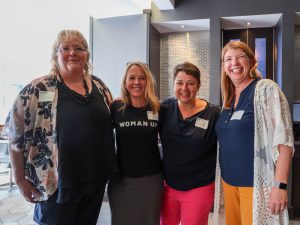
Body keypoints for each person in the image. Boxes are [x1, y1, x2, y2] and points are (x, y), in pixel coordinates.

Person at [3, 30, 118, 225]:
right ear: (56, 54)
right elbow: (14, 134)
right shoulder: (38, 89)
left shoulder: (99, 86)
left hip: (95, 181)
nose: (72, 52)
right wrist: (20, 180)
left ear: (87, 55)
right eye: (65, 48)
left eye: (79, 48)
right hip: (56, 184)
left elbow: (114, 115)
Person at [213, 41, 294, 225]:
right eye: (228, 59)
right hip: (229, 184)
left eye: (240, 57)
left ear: (251, 61)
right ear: (224, 67)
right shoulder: (228, 101)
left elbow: (285, 143)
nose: (234, 63)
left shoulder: (265, 90)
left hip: (256, 186)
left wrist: (279, 186)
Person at [159, 62, 220, 225]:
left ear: (198, 85)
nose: (184, 88)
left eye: (190, 83)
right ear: (173, 85)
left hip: (199, 187)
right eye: (179, 83)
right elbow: (141, 110)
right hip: (168, 186)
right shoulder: (165, 108)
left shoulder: (213, 114)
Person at [107, 61, 163, 225]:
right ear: (125, 82)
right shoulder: (116, 108)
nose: (137, 82)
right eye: (132, 78)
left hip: (151, 180)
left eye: (142, 78)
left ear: (148, 81)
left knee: (149, 221)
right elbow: (101, 139)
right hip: (121, 181)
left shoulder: (158, 108)